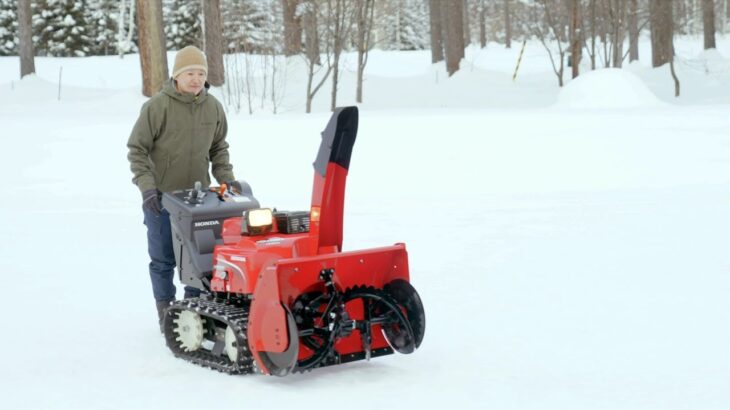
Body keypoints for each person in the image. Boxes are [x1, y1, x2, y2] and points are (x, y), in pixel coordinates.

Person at [127, 45, 235, 331]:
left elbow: (218, 149)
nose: (196, 79)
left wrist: (228, 182)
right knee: (163, 260)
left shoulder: (212, 107)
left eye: (201, 73)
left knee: (198, 261)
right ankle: (166, 313)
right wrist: (148, 188)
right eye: (190, 73)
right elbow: (137, 150)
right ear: (177, 75)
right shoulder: (157, 106)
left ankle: (193, 311)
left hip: (198, 201)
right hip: (161, 199)